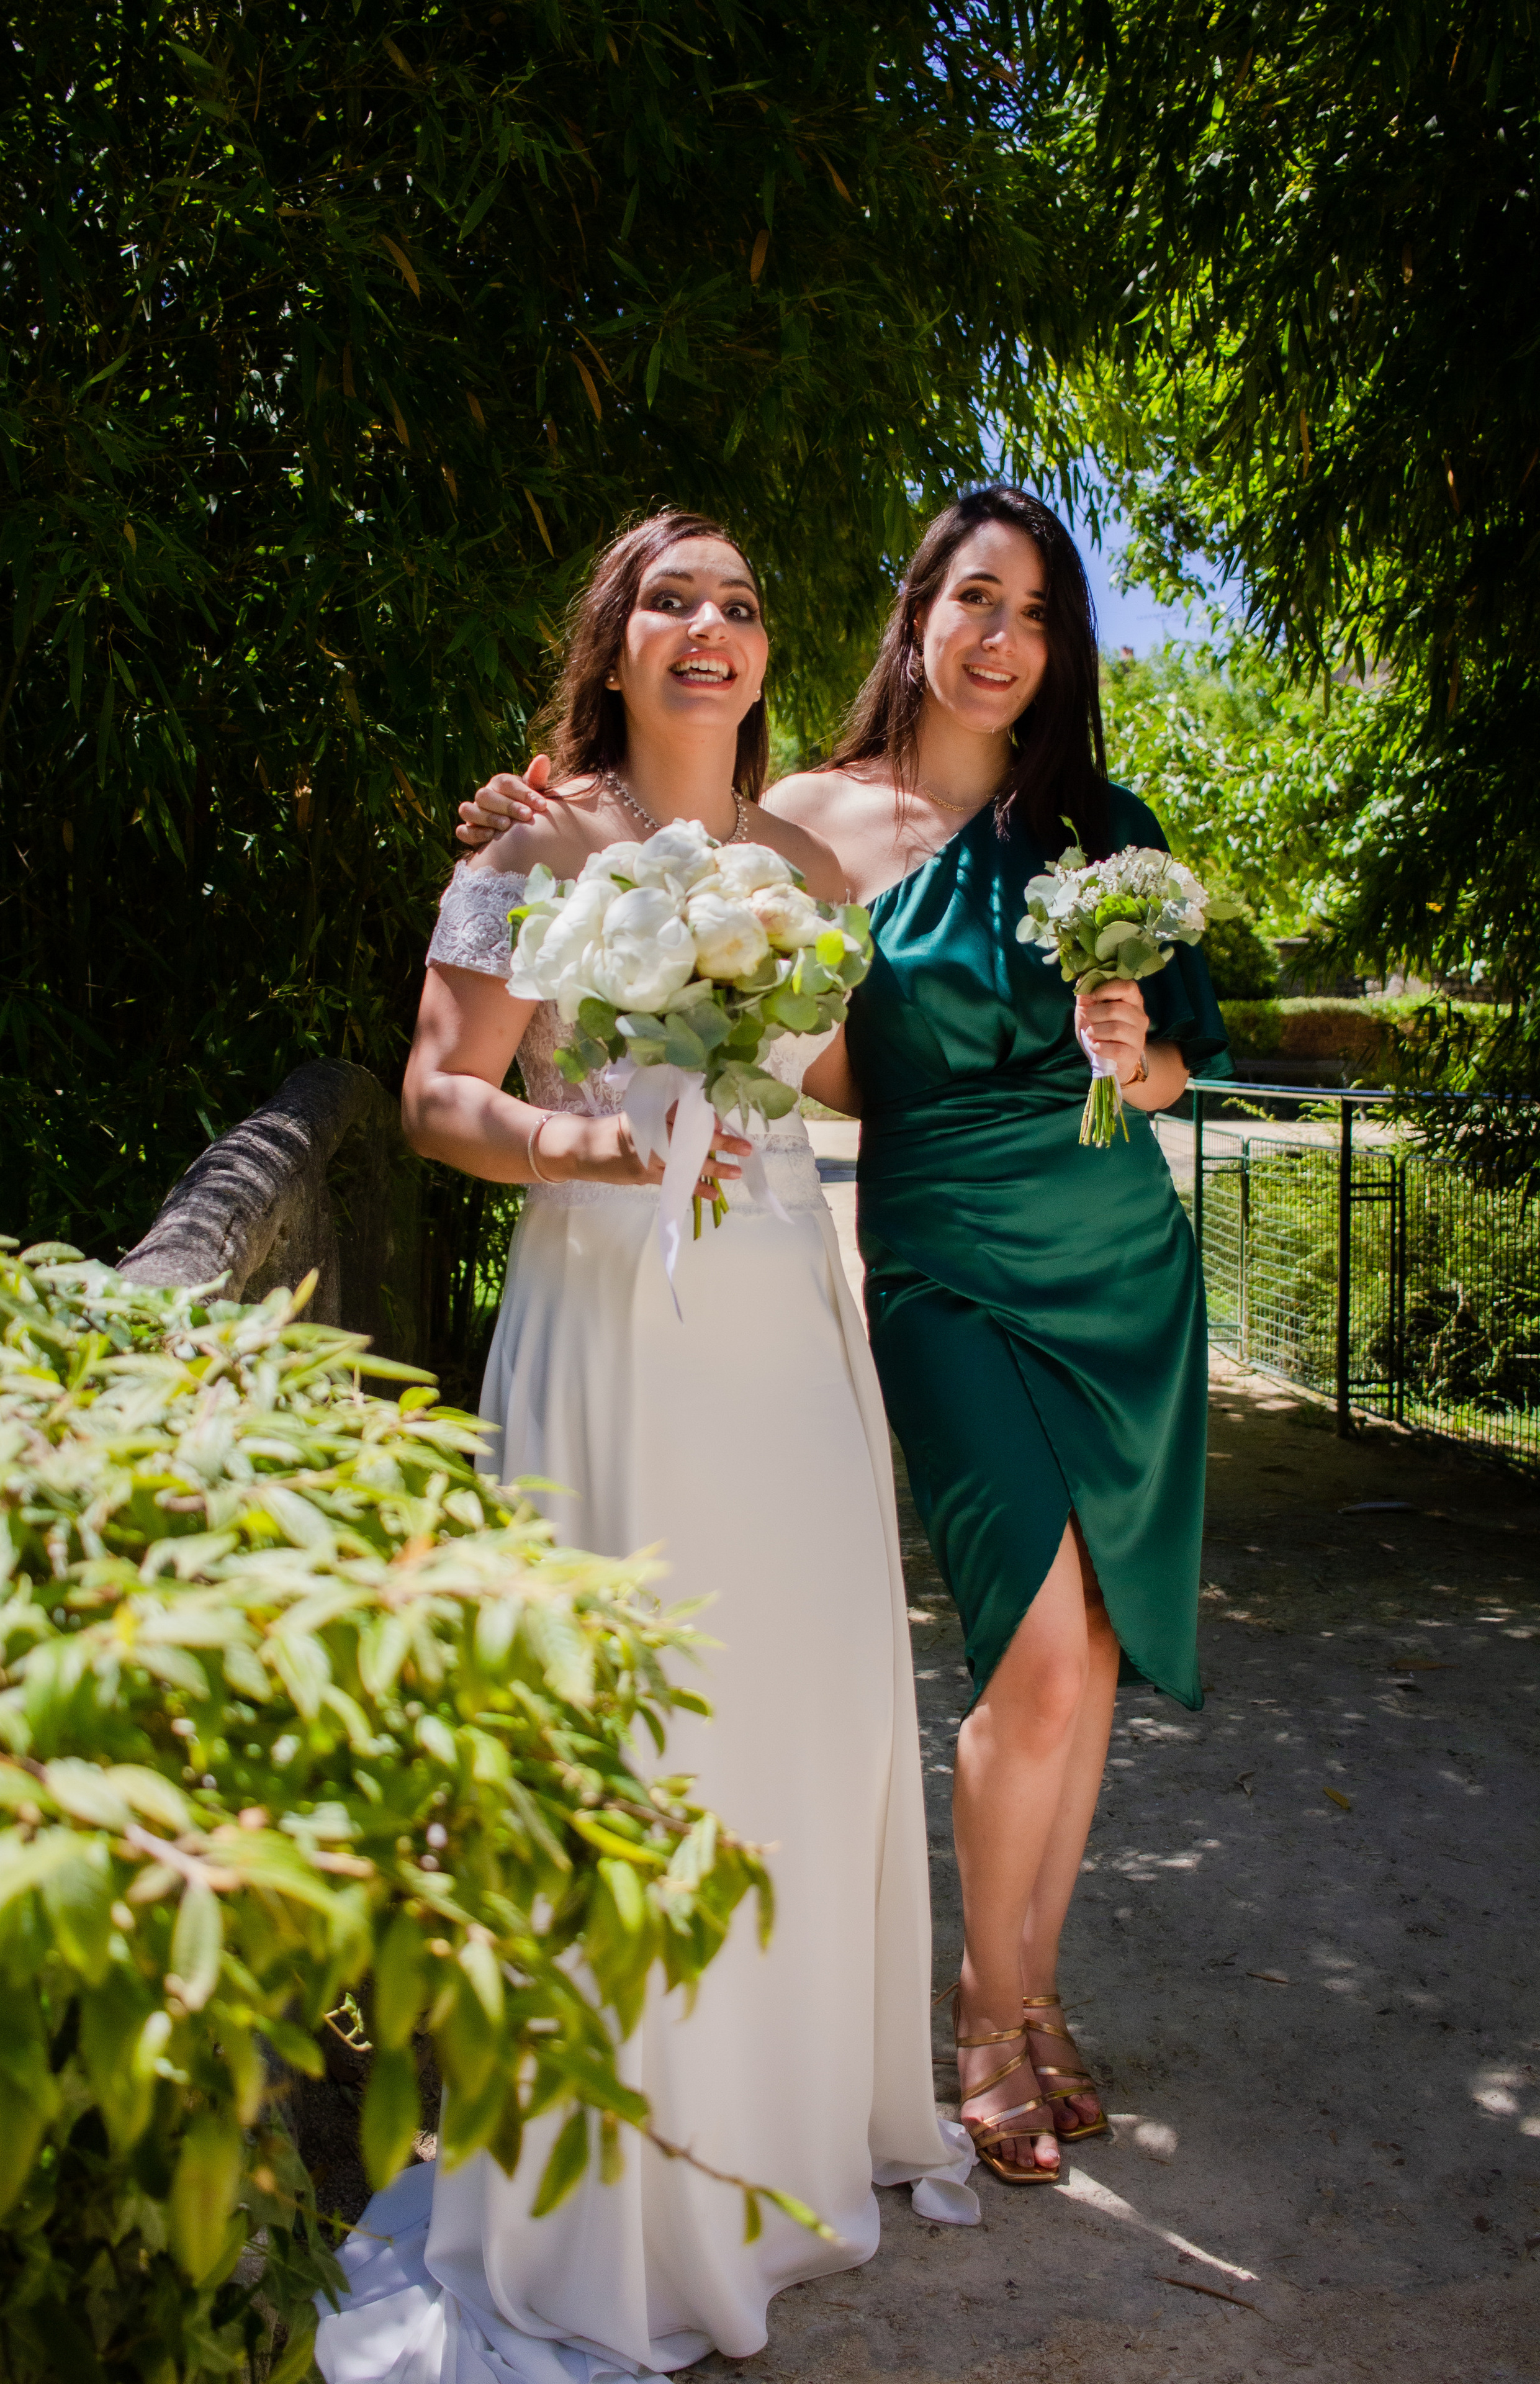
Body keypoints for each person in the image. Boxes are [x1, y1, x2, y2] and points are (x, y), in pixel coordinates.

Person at [455, 484, 1233, 2189]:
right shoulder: (802, 819)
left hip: (1116, 1256)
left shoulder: (1102, 827)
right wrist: (533, 824)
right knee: (1034, 1651)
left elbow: (1182, 1065)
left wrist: (1132, 1054)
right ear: (916, 613)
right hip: (943, 1256)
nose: (1000, 638)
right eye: (974, 599)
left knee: (1095, 1647)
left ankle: (1039, 1996)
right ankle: (980, 2015)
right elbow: (700, 914)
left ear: (1062, 650)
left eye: (1036, 614)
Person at [317, 510, 975, 2384]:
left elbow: (833, 1076)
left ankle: (778, 2148)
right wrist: (593, 1145)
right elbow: (440, 1095)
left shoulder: (804, 863)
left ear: (767, 656)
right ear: (612, 645)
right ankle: (618, 2192)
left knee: (800, 1720)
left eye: (742, 603)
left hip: (784, 1331)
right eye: (671, 598)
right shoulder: (531, 842)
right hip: (613, 1325)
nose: (712, 625)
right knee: (639, 1736)